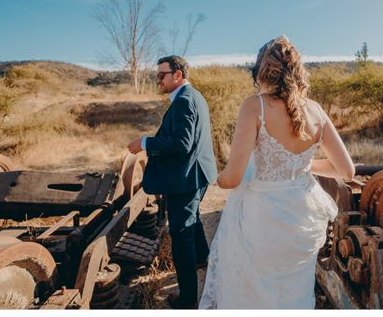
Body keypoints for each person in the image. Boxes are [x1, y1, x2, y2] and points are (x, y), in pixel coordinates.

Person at [199, 36, 355, 309]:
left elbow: (233, 178)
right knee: (293, 293)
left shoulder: (254, 106)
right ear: (298, 71)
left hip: (264, 220)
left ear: (261, 71)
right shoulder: (317, 111)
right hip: (301, 218)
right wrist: (304, 165)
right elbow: (347, 170)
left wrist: (216, 177)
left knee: (256, 293)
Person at [127, 55, 217, 309]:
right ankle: (202, 258)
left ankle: (187, 300)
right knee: (193, 218)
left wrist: (144, 143)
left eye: (161, 75)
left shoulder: (185, 101)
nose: (158, 80)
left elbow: (182, 143)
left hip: (186, 178)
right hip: (197, 173)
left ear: (178, 74)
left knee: (181, 234)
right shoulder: (193, 96)